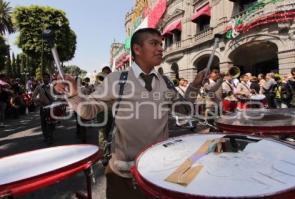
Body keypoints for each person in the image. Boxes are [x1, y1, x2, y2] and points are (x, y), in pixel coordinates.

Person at [54, 28, 207, 199]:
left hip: (159, 171)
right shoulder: (117, 80)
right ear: (137, 49)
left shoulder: (165, 81)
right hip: (123, 175)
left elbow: (184, 109)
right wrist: (73, 93)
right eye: (154, 43)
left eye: (161, 44)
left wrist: (194, 86)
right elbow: (87, 111)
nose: (160, 48)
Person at [32, 73, 54, 145]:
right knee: (43, 123)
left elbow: (58, 95)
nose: (45, 79)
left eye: (47, 77)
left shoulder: (52, 87)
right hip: (43, 107)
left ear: (49, 78)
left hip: (51, 108)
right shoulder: (39, 87)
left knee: (52, 123)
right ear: (42, 79)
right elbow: (33, 96)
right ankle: (46, 137)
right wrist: (38, 101)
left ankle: (50, 136)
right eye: (44, 78)